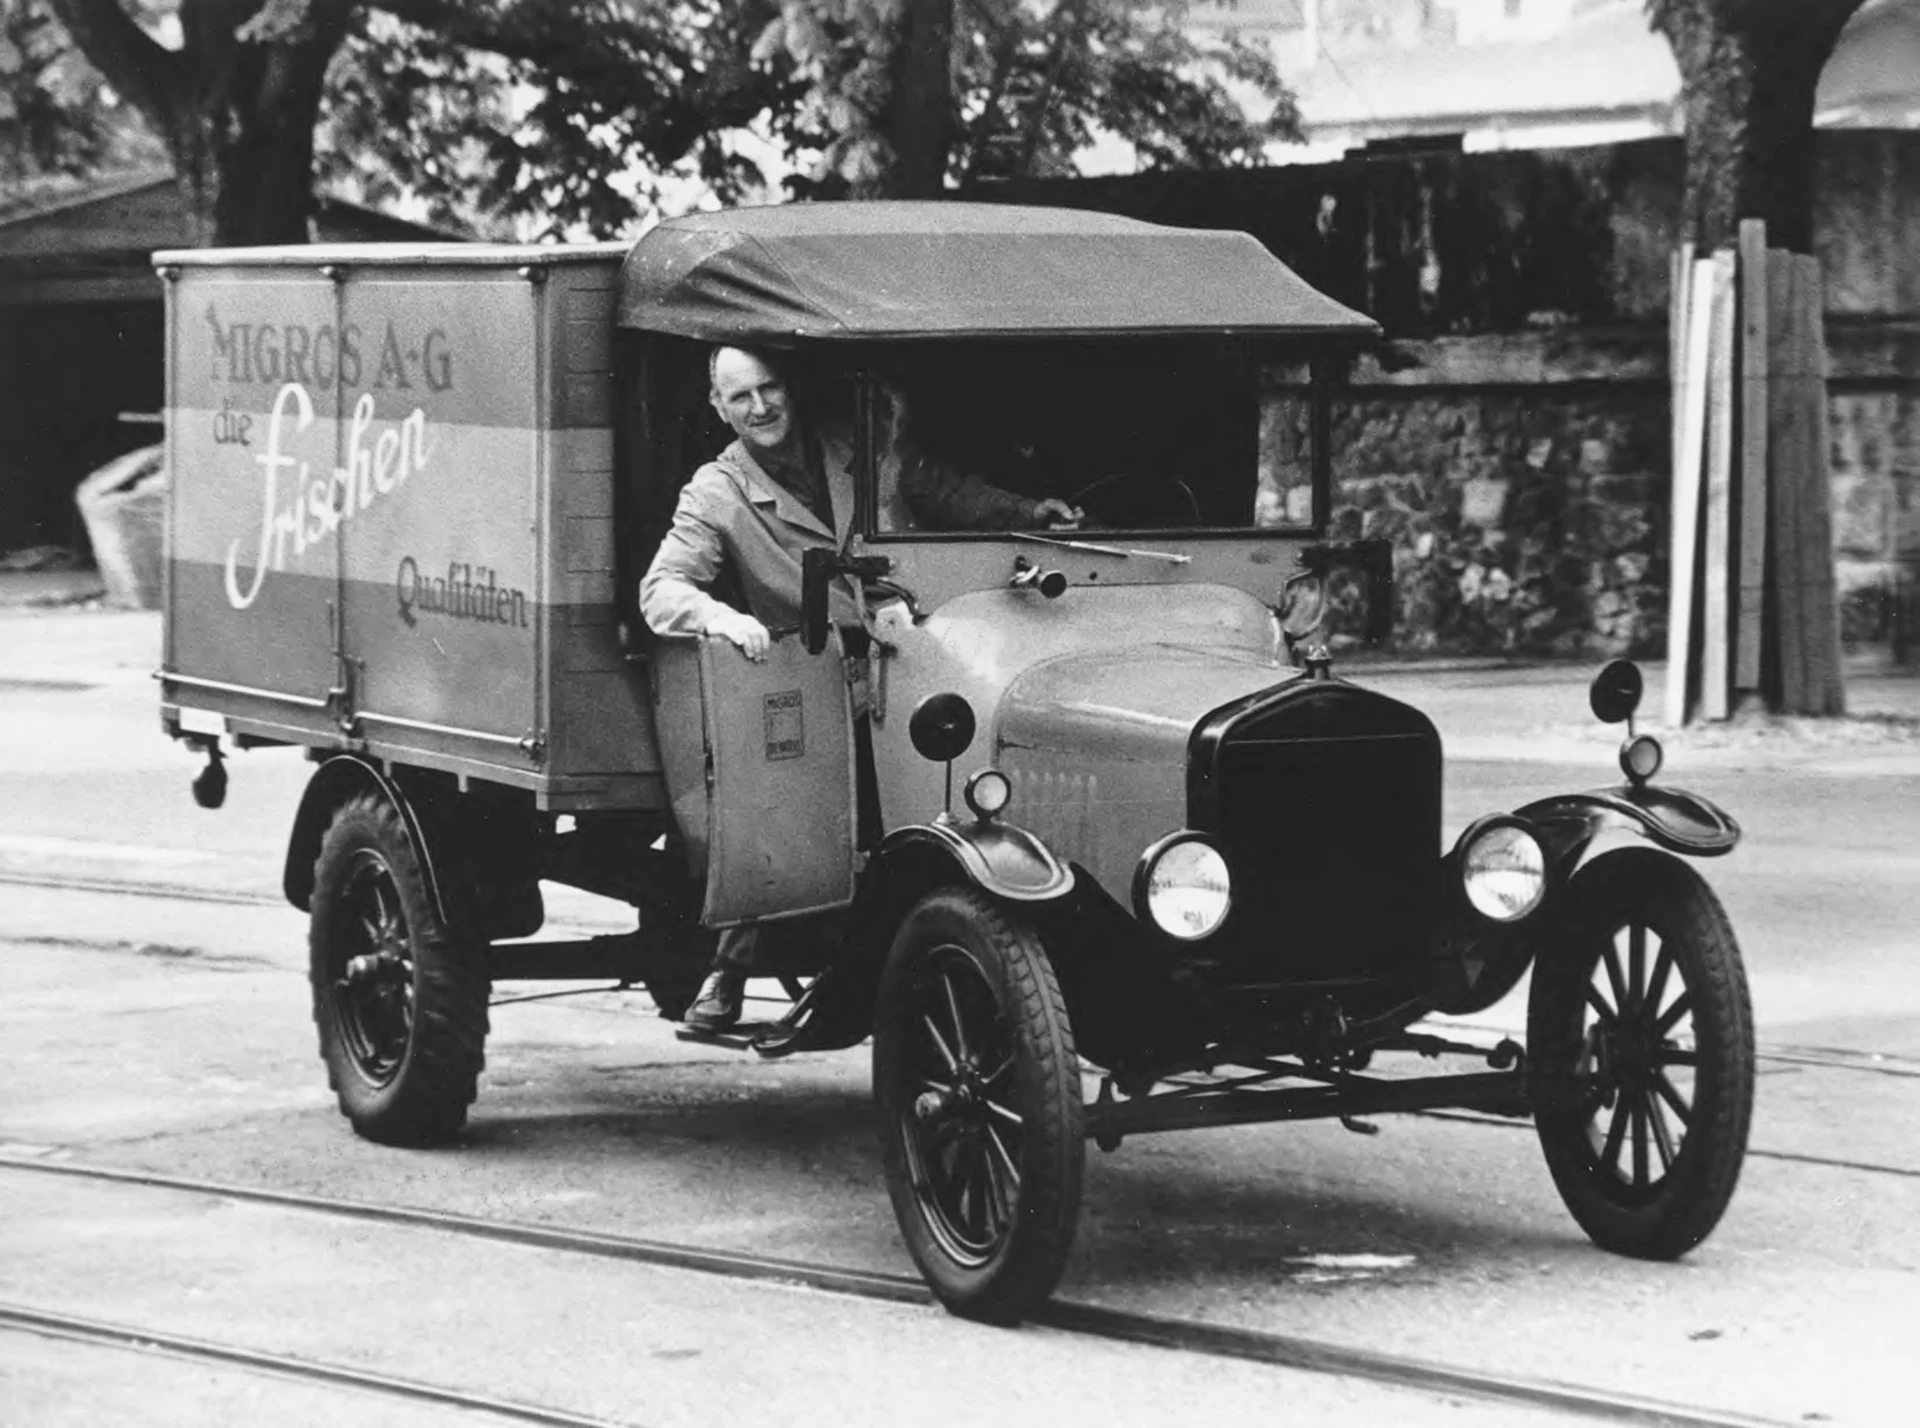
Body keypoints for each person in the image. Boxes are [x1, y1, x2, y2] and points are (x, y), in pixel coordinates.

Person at [641, 346, 1076, 1032]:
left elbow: (940, 487)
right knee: (779, 801)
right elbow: (662, 591)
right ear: (718, 408)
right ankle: (730, 965)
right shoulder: (715, 491)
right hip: (815, 673)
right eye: (742, 397)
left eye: (769, 388)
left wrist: (1028, 511)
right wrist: (724, 618)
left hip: (913, 653)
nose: (761, 408)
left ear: (790, 388)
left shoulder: (855, 444)